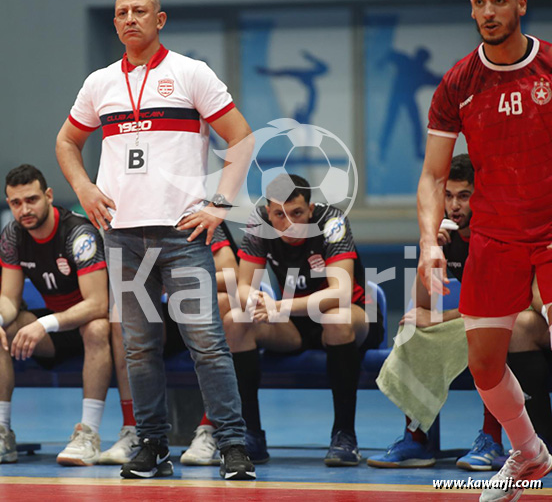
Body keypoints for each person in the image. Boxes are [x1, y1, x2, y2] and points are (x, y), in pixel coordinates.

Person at [55, 0, 255, 480]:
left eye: (139, 11)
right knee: (139, 347)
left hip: (182, 237)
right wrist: (83, 187)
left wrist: (218, 205)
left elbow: (242, 138)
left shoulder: (191, 73)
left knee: (206, 343)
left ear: (159, 19)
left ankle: (232, 445)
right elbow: (66, 141)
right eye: (121, 13)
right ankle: (152, 446)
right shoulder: (100, 82)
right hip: (123, 236)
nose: (129, 19)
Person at [417, 0, 552, 500]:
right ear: (472, 10)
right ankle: (529, 453)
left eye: (499, 0)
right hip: (496, 240)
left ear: (520, 4)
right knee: (484, 367)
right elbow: (432, 174)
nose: (489, 11)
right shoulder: (457, 83)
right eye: (479, 2)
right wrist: (429, 241)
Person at [367, 155, 552, 471]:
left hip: (525, 317)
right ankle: (417, 439)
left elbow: (511, 303)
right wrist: (431, 252)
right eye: (448, 196)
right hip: (485, 315)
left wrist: (443, 318)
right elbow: (422, 306)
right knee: (413, 330)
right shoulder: (445, 236)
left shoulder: (502, 230)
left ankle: (492, 440)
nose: (454, 205)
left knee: (498, 332)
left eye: (464, 196)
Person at [223, 173, 384, 467]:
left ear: (309, 210)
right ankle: (251, 436)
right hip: (295, 322)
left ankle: (344, 436)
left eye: (296, 213)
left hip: (351, 315)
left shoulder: (331, 221)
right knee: (236, 319)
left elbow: (340, 292)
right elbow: (244, 284)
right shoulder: (260, 222)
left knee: (335, 318)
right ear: (269, 214)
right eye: (279, 215)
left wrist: (281, 307)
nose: (288, 223)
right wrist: (254, 299)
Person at [0, 164, 112, 466]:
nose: (24, 209)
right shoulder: (12, 235)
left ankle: (88, 434)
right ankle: (2, 433)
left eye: (32, 199)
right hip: (53, 332)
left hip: (89, 327)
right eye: (15, 203)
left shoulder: (79, 233)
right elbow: (9, 300)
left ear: (48, 196)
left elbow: (98, 303)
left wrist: (44, 324)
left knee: (98, 327)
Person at [102, 224, 239, 466]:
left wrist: (174, 276)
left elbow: (231, 275)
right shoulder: (126, 221)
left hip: (190, 302)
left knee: (225, 303)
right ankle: (135, 430)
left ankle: (212, 431)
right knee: (118, 315)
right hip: (159, 314)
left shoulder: (189, 213)